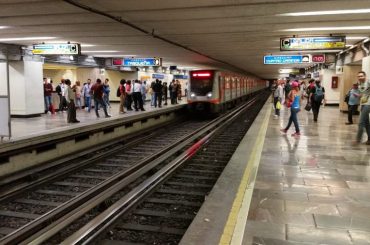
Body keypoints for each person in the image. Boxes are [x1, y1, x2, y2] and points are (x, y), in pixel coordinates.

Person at [355, 71, 370, 144]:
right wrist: (358, 96)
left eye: (361, 76)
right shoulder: (359, 84)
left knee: (361, 122)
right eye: (358, 76)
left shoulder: (368, 82)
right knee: (366, 122)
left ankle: (358, 140)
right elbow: (362, 94)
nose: (360, 77)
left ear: (365, 76)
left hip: (368, 104)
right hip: (363, 104)